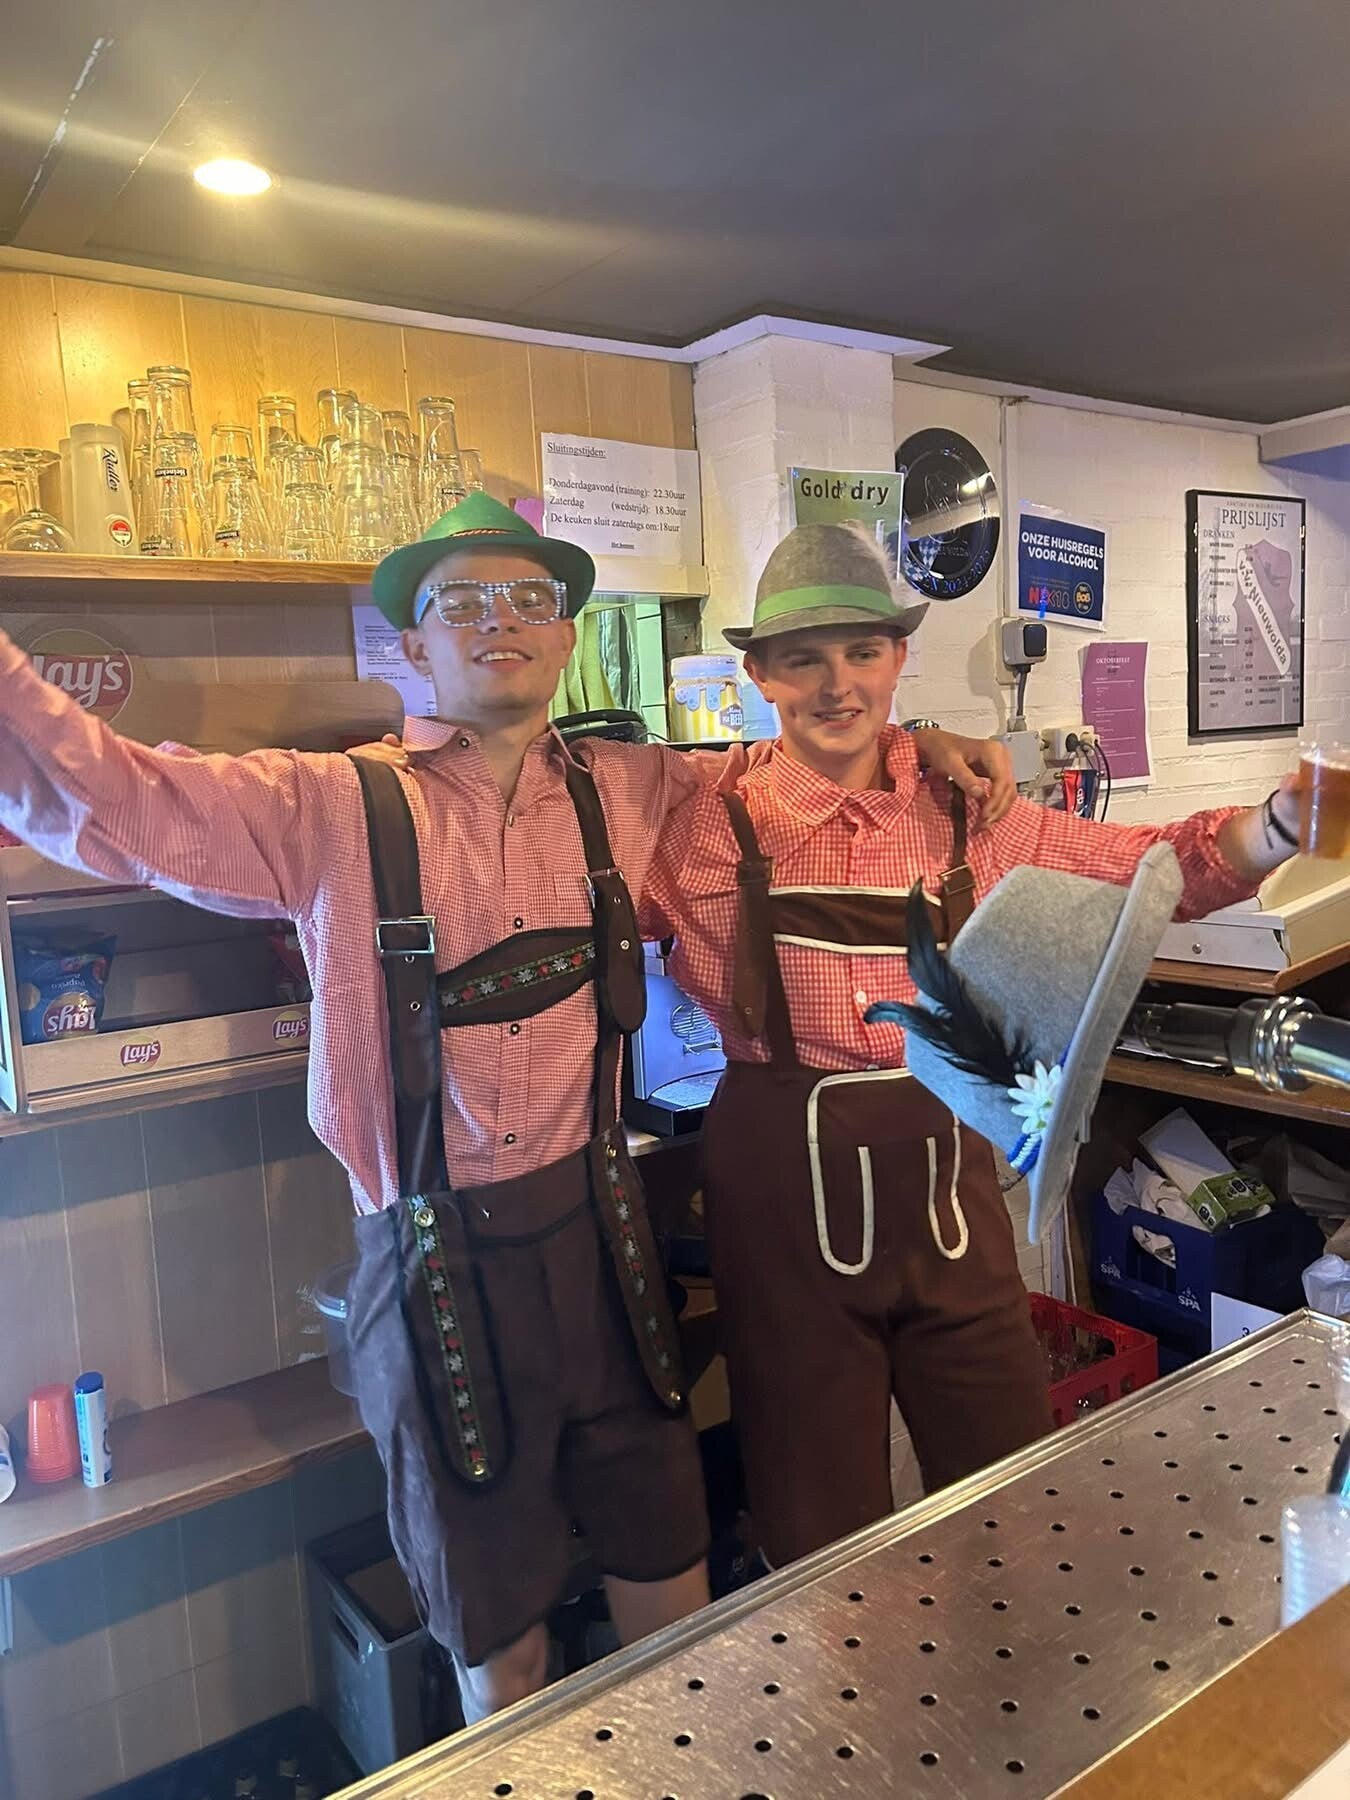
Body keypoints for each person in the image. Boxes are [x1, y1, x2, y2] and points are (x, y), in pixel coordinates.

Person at [0, 493, 1010, 1719]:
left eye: (531, 597)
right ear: (412, 644)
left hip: (604, 1237)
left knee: (672, 1586)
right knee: (503, 1643)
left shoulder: (634, 788)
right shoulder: (324, 804)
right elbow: (106, 800)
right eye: (463, 601)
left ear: (566, 635)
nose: (501, 621)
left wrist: (928, 742)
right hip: (433, 1256)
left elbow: (810, 757)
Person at [641, 520, 1306, 1571]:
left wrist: (1277, 827)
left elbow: (1147, 868)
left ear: (898, 658)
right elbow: (545, 835)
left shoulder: (972, 814)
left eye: (863, 651)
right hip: (780, 1213)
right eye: (803, 659)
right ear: (759, 673)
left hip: (952, 1207)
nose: (837, 684)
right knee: (815, 1530)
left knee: (1012, 1497)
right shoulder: (693, 819)